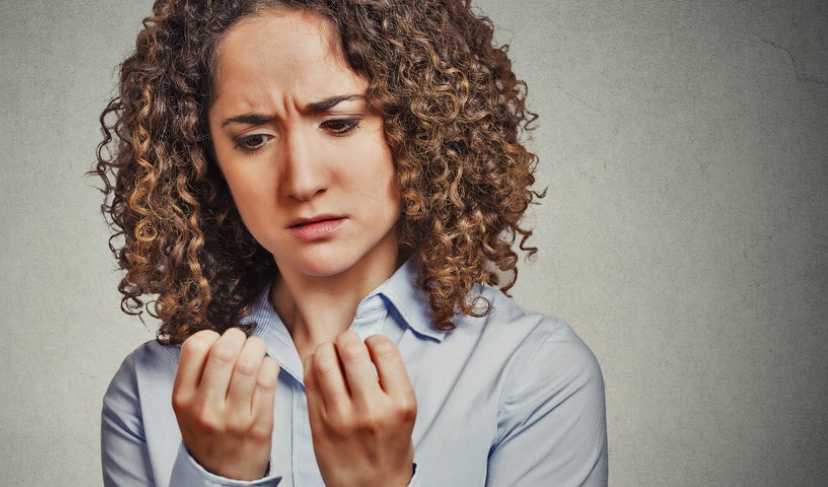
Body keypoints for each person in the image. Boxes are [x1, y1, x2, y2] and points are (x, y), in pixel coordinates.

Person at [91, 0, 608, 485]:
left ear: (420, 127)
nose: (301, 180)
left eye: (339, 123)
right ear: (204, 160)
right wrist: (218, 477)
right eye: (253, 139)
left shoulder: (535, 372)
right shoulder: (150, 390)